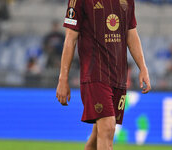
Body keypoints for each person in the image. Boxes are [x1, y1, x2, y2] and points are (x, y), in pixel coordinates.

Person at [56, 0, 151, 150]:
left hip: (118, 76)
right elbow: (70, 39)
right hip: (95, 75)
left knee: (98, 134)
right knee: (108, 128)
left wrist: (143, 68)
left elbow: (131, 33)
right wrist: (63, 78)